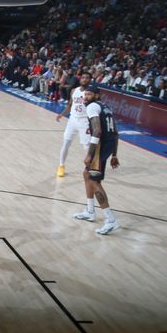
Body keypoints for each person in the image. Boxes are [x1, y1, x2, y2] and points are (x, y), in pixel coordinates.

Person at [71, 85, 120, 235]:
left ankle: (111, 220)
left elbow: (97, 130)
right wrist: (114, 155)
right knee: (87, 175)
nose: (85, 97)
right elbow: (116, 133)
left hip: (101, 145)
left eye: (89, 94)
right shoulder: (106, 107)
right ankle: (90, 211)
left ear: (97, 95)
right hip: (108, 143)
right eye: (85, 95)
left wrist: (90, 155)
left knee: (94, 180)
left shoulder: (92, 106)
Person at [56, 71, 91, 177]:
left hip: (84, 121)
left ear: (90, 80)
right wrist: (61, 114)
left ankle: (89, 168)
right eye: (83, 77)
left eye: (87, 78)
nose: (84, 79)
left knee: (87, 147)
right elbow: (70, 105)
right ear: (80, 79)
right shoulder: (73, 91)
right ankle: (61, 166)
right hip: (72, 120)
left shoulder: (91, 92)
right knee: (66, 143)